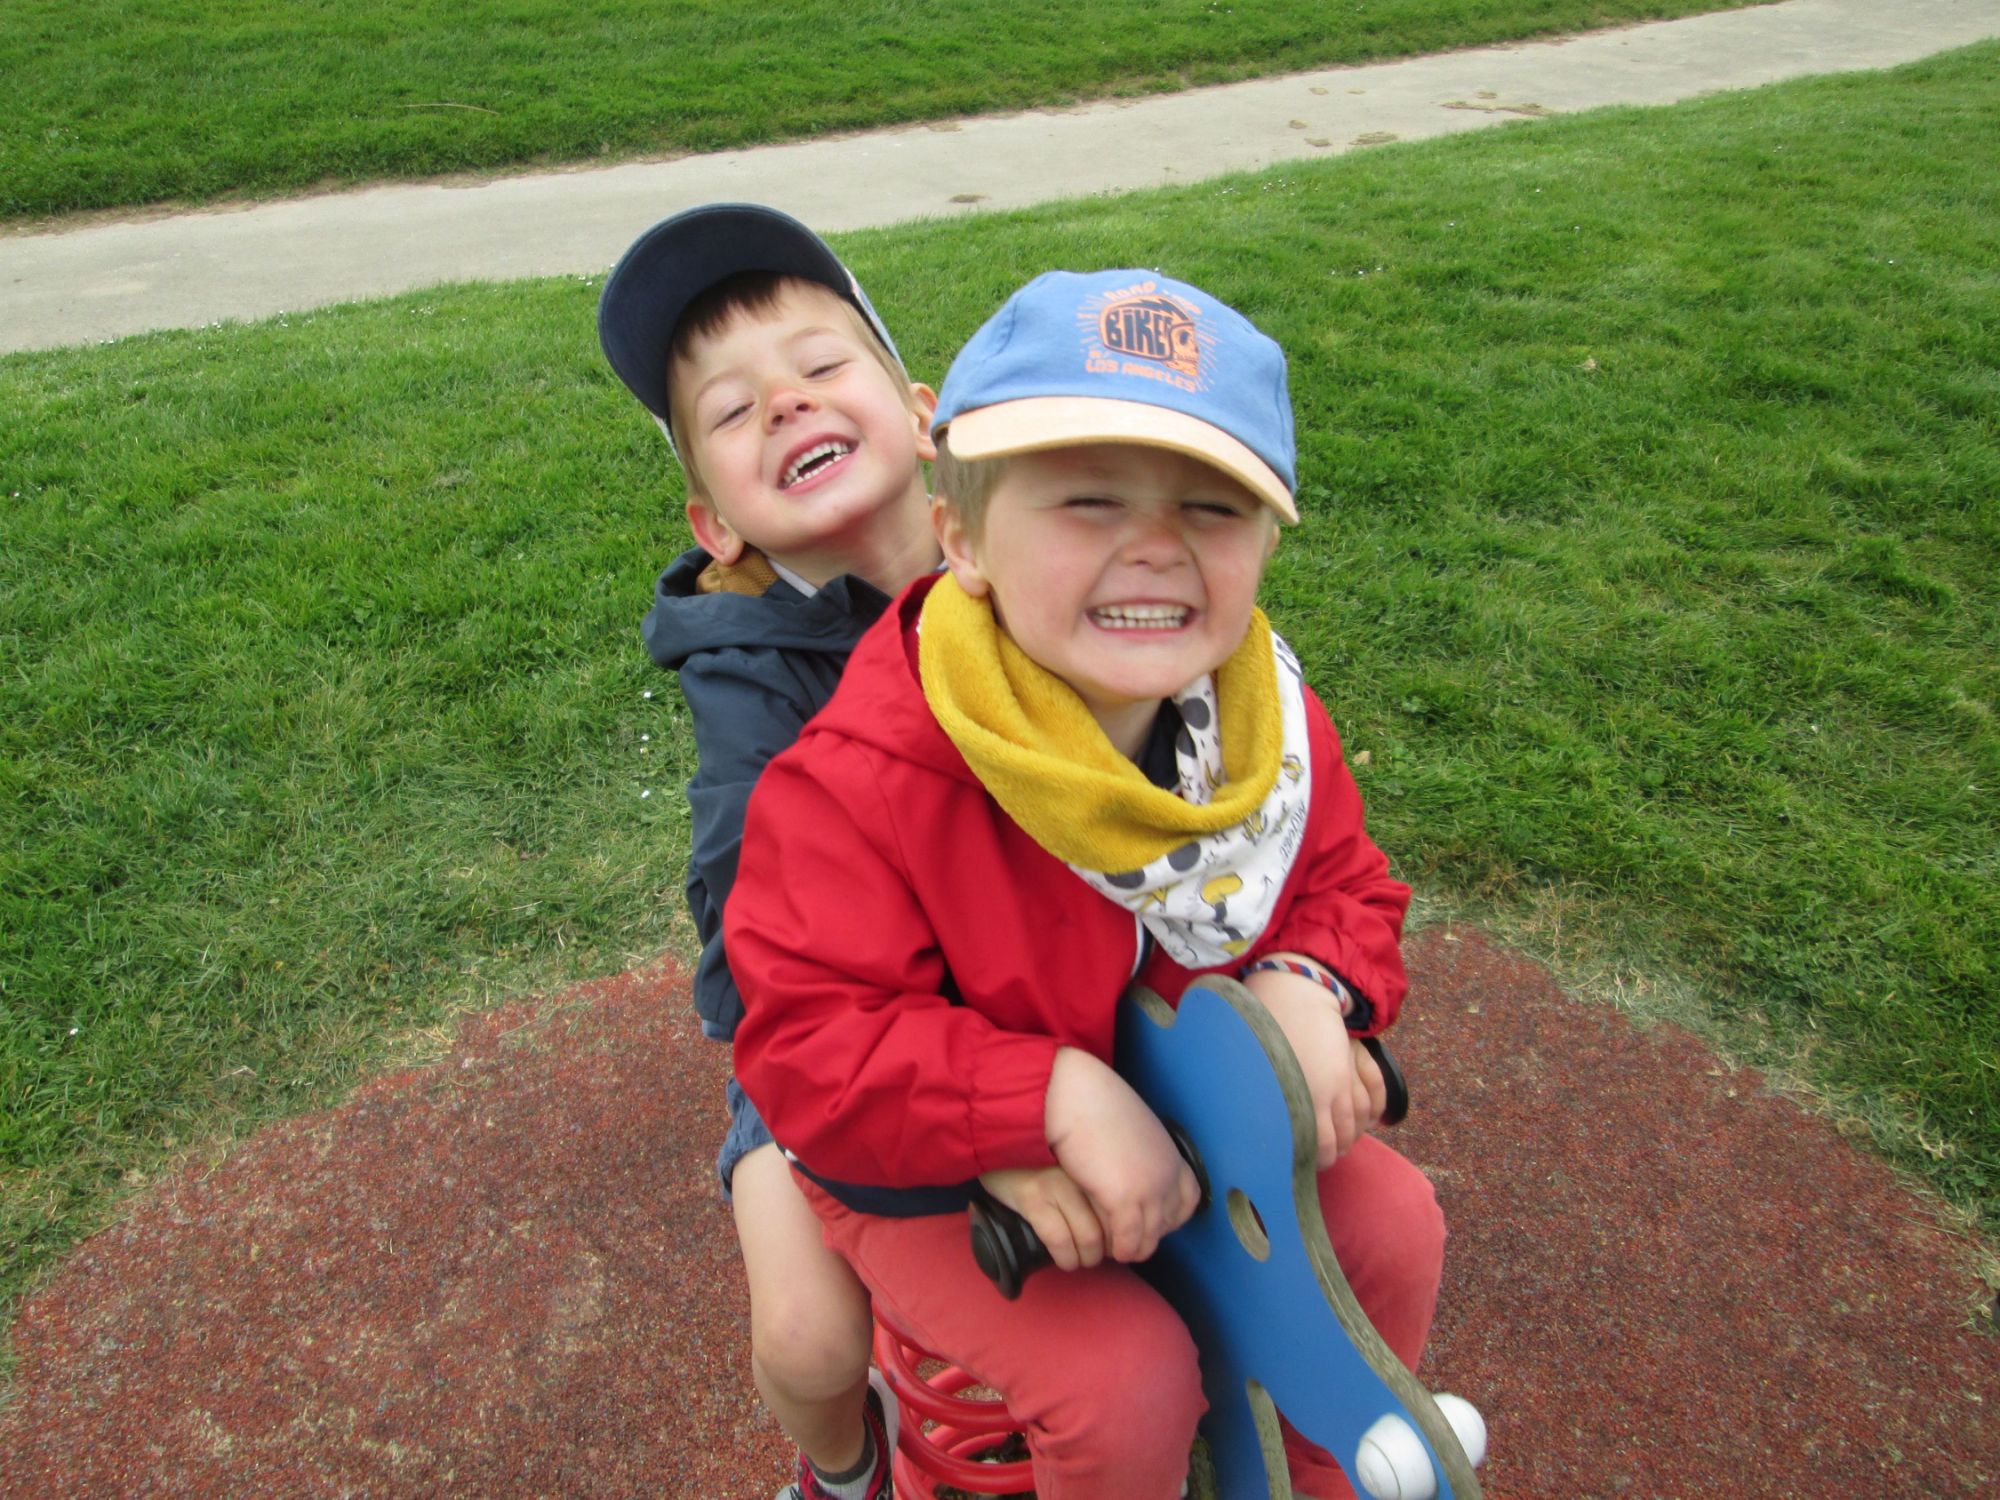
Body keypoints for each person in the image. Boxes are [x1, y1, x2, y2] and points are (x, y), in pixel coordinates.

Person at [728, 268, 1448, 1499]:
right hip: (937, 1165)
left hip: (1184, 1117)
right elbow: (810, 1043)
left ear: (1265, 540)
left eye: (1212, 508)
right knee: (1122, 1384)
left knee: (1391, 1228)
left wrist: (1313, 981)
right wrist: (1037, 1100)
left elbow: (1345, 882)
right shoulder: (864, 776)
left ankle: (1314, 1477)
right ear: (961, 539)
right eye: (1089, 499)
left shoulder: (1262, 730)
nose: (1157, 545)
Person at [598, 202, 941, 1500]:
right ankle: (844, 1471)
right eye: (734, 411)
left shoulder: (1024, 558)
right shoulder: (750, 667)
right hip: (822, 1024)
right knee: (808, 1338)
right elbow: (745, 906)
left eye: (819, 364)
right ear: (717, 525)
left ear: (919, 414)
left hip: (1051, 977)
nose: (785, 403)